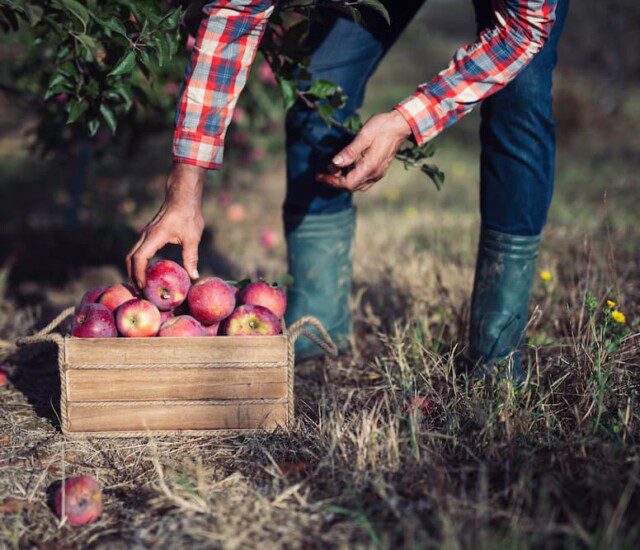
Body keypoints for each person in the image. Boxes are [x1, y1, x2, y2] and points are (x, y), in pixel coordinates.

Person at [126, 0, 570, 378]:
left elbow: (524, 28)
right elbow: (234, 14)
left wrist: (406, 121)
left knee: (521, 101)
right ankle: (321, 324)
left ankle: (498, 347)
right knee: (321, 80)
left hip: (520, 16)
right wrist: (185, 187)